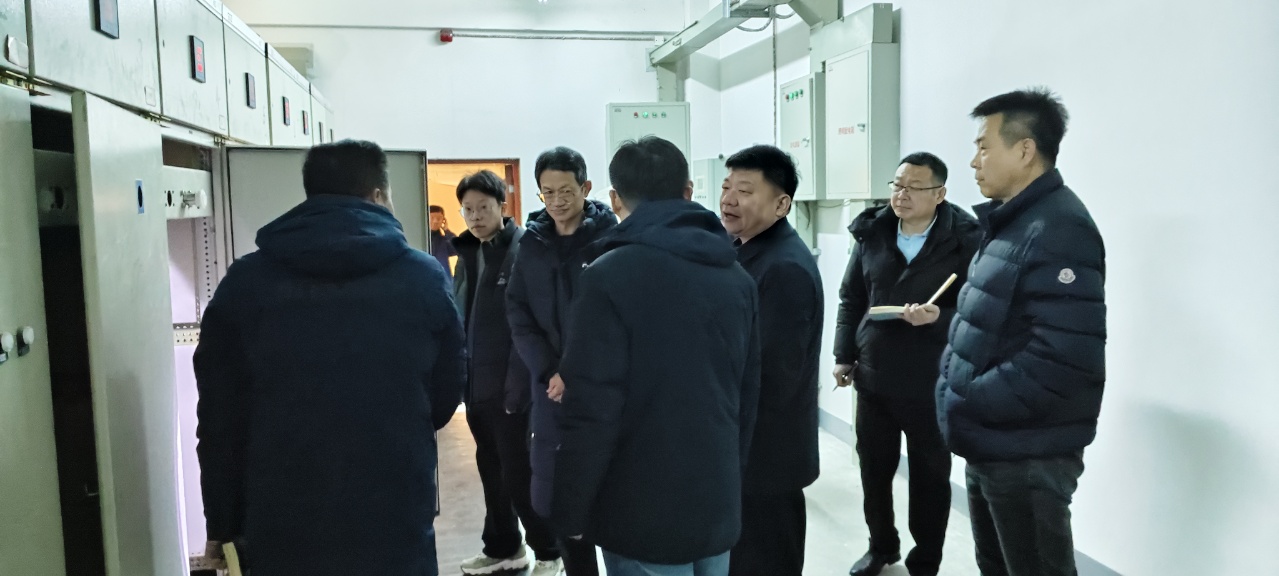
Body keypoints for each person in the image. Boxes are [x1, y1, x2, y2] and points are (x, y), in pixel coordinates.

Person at [193, 140, 466, 576]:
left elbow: (220, 417)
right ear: (378, 195)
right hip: (393, 504)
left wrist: (221, 521)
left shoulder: (246, 283)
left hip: (281, 511)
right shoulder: (423, 277)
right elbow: (447, 390)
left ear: (311, 194)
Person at [551, 136, 761, 576]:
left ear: (614, 198)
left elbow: (592, 409)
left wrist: (571, 508)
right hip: (715, 497)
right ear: (688, 191)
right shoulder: (736, 277)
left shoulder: (608, 277)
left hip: (639, 509)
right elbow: (747, 395)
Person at [937, 88, 1106, 576]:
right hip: (994, 441)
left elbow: (1062, 357)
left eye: (984, 147)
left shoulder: (1059, 228)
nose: (974, 161)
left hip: (1027, 452)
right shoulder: (1013, 223)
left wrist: (971, 398)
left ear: (1025, 150)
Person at [833, 152, 981, 576]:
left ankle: (926, 560)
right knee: (874, 469)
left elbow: (978, 309)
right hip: (875, 373)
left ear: (940, 194)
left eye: (913, 188)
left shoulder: (966, 239)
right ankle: (881, 546)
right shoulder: (873, 232)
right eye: (897, 185)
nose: (901, 195)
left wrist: (940, 318)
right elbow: (852, 298)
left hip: (931, 378)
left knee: (930, 477)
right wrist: (843, 355)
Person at [506, 146, 617, 576]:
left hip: (600, 388)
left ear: (586, 188)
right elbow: (518, 312)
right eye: (547, 192)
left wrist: (576, 373)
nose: (556, 201)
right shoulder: (531, 245)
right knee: (560, 498)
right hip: (550, 391)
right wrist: (548, 370)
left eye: (565, 191)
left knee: (609, 497)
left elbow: (615, 319)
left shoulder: (609, 241)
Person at [719, 145, 824, 576]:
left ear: (781, 205)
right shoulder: (745, 250)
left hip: (766, 456)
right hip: (749, 453)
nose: (729, 199)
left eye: (745, 191)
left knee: (766, 560)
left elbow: (773, 375)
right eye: (726, 187)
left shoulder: (783, 268)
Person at [451, 170, 563, 576]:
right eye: (468, 209)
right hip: (477, 388)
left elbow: (531, 327)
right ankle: (503, 547)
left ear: (502, 205)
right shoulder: (468, 253)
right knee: (491, 472)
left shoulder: (521, 250)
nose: (476, 216)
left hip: (513, 389)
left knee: (519, 474)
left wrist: (520, 386)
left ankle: (550, 552)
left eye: (483, 207)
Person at [430, 204, 459, 277]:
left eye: (439, 218)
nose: (435, 221)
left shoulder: (445, 240)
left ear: (443, 220)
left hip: (443, 279)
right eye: (432, 218)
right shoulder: (420, 239)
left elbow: (458, 249)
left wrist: (447, 230)